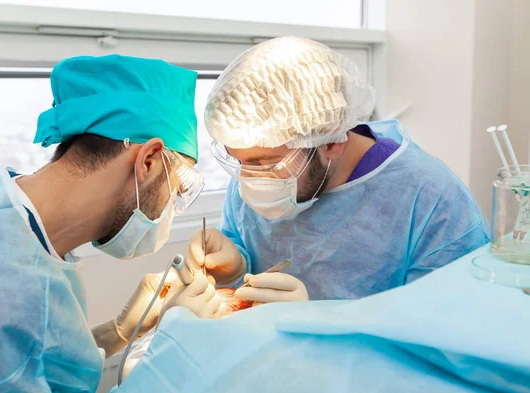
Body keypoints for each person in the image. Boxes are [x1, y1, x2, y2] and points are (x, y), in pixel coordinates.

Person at [0, 55, 220, 393]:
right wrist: (172, 347)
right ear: (149, 160)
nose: (172, 206)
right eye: (178, 187)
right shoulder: (4, 296)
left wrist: (117, 332)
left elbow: (31, 361)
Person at [186, 36, 489, 302]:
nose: (250, 179)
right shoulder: (255, 167)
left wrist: (322, 324)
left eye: (265, 163)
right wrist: (236, 264)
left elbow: (451, 329)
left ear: (332, 141)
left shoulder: (432, 201)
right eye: (237, 160)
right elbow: (246, 244)